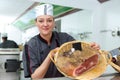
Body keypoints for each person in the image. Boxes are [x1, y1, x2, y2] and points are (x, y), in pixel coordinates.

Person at [22, 4, 100, 79]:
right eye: (41, 21)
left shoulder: (65, 38)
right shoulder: (30, 46)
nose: (45, 24)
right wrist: (50, 56)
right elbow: (35, 77)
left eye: (49, 20)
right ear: (36, 23)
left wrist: (92, 49)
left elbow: (81, 50)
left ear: (53, 22)